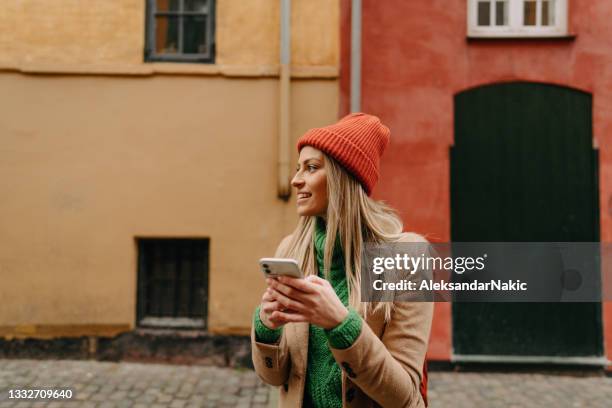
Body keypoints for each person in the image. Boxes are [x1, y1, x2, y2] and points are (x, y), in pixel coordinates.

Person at [251, 113, 434, 407]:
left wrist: (341, 324)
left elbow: (404, 397)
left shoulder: (406, 258)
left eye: (311, 168)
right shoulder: (291, 250)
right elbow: (275, 378)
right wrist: (266, 327)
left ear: (342, 177)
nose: (296, 180)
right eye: (298, 168)